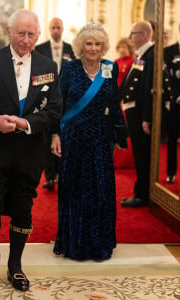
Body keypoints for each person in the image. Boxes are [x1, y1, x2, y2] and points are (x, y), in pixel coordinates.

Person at [0, 9, 62, 290]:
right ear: (9, 32)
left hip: (29, 153)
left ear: (38, 35)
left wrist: (27, 123)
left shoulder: (48, 66)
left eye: (32, 34)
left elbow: (55, 109)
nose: (26, 39)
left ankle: (15, 263)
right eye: (21, 33)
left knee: (22, 210)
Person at [51, 23, 127, 260]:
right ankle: (76, 244)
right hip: (74, 138)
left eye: (97, 44)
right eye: (89, 43)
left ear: (103, 46)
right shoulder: (70, 68)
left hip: (101, 139)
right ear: (81, 46)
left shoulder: (110, 68)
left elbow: (114, 103)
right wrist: (55, 134)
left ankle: (99, 243)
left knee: (100, 189)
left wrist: (120, 134)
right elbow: (58, 104)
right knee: (75, 189)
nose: (93, 48)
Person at [35, 17, 75, 190]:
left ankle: (61, 173)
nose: (56, 30)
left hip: (65, 99)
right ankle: (49, 176)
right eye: (53, 27)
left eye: (59, 27)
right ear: (49, 29)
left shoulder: (69, 48)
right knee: (47, 137)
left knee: (63, 136)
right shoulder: (40, 48)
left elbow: (74, 70)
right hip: (46, 97)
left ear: (63, 29)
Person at [120, 21, 154, 208]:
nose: (130, 37)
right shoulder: (142, 55)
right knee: (139, 154)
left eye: (132, 33)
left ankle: (142, 195)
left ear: (143, 35)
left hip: (141, 115)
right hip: (134, 113)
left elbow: (150, 88)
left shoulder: (151, 55)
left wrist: (147, 118)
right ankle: (140, 192)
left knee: (142, 155)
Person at [163, 20, 180, 183]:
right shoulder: (169, 51)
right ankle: (171, 171)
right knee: (172, 137)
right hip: (175, 101)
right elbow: (167, 77)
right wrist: (178, 96)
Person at [113, 37, 136, 169]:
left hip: (127, 99)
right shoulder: (115, 62)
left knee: (126, 127)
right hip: (115, 98)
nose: (122, 50)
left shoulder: (134, 61)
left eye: (124, 47)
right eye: (120, 47)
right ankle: (117, 159)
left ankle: (127, 160)